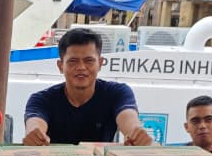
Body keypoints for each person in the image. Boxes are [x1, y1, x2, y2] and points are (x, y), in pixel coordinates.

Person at [22, 26, 154, 146]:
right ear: (60, 66)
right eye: (73, 61)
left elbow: (128, 118)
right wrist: (34, 135)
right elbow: (35, 124)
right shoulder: (41, 99)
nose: (81, 67)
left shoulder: (117, 93)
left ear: (100, 63)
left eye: (89, 61)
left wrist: (136, 134)